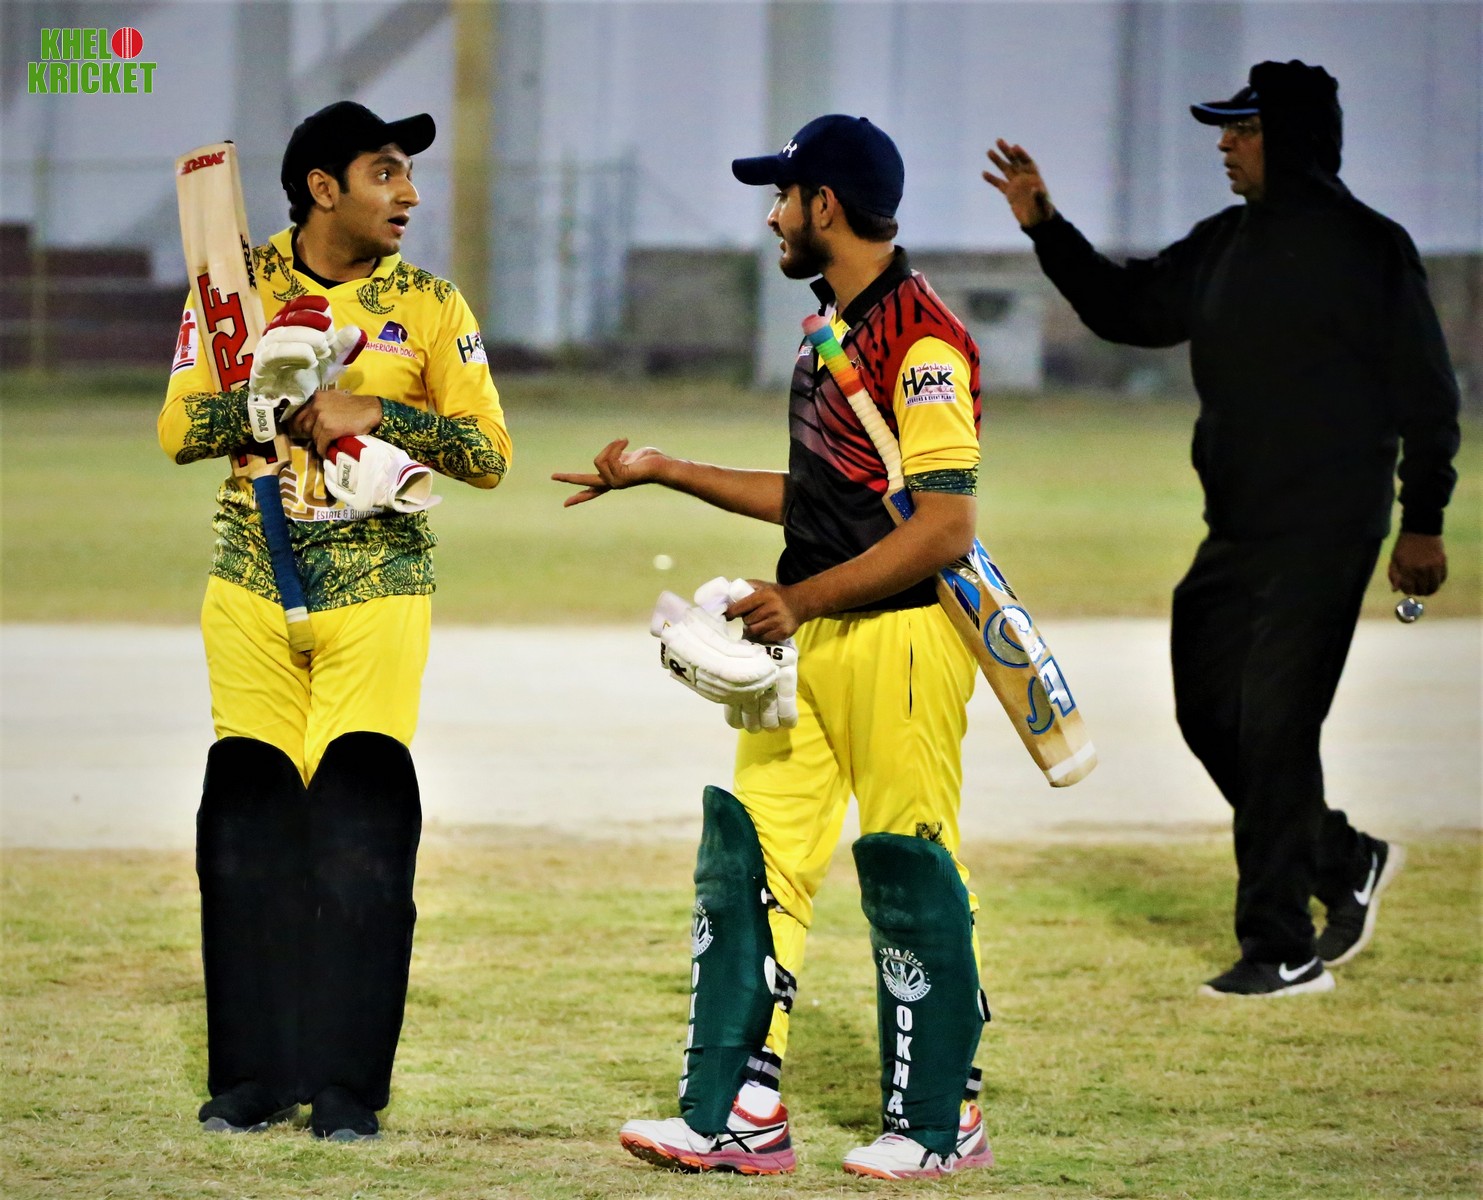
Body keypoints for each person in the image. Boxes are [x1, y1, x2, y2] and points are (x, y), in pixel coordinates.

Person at [554, 114, 996, 1180]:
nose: (771, 217)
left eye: (783, 198)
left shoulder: (923, 340)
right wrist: (667, 469)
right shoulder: (832, 329)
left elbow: (944, 528)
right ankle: (735, 1112)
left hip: (902, 643)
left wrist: (797, 598)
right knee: (751, 862)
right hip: (817, 640)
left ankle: (942, 1122)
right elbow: (822, 499)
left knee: (912, 868)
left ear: (824, 206)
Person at [983, 60, 1460, 997]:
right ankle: (1340, 857)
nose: (1224, 144)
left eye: (1243, 129)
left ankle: (1279, 949)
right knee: (1208, 713)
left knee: (1276, 726)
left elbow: (1427, 396)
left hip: (1328, 529)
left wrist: (1424, 523)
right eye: (1224, 130)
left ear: (1293, 141)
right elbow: (1126, 309)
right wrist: (1045, 225)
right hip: (1235, 531)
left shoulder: (1372, 249)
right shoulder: (1224, 243)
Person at [159, 101, 511, 1138]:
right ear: (323, 187)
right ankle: (255, 1076)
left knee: (360, 831)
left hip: (378, 583)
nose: (409, 194)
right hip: (250, 578)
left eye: (407, 174)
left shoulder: (430, 304)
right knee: (246, 833)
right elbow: (178, 428)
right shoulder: (235, 288)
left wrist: (376, 411)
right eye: (385, 172)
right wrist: (268, 402)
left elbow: (488, 455)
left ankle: (348, 1086)